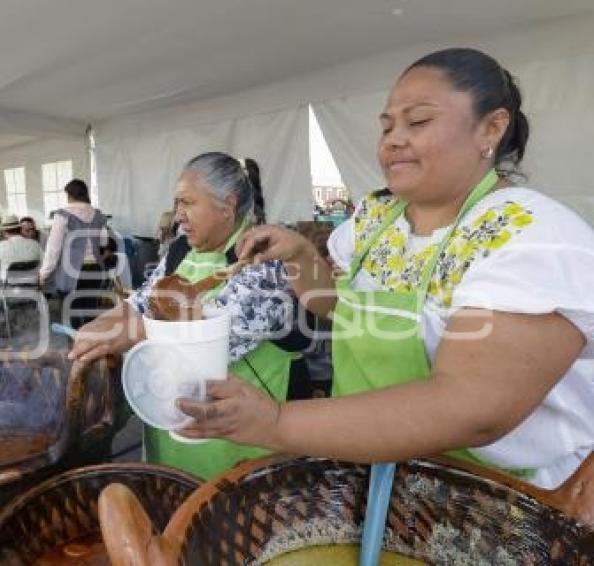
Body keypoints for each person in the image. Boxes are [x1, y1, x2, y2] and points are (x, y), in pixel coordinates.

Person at [174, 48, 594, 490]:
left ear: (491, 127)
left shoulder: (529, 234)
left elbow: (470, 409)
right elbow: (337, 307)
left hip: (495, 497)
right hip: (375, 471)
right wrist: (299, 256)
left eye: (418, 122)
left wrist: (275, 421)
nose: (393, 139)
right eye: (387, 126)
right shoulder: (378, 220)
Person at [68, 153, 300, 480]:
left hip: (236, 447)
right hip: (172, 431)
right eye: (176, 204)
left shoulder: (267, 261)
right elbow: (142, 301)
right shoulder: (180, 252)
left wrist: (129, 332)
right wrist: (102, 325)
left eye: (187, 203)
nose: (178, 216)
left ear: (227, 205)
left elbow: (214, 333)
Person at [39, 179, 111, 328]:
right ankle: (90, 343)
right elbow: (104, 241)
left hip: (72, 273)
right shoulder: (97, 214)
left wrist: (44, 273)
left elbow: (53, 247)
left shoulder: (63, 215)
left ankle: (76, 345)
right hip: (95, 270)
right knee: (90, 311)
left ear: (69, 194)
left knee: (71, 313)